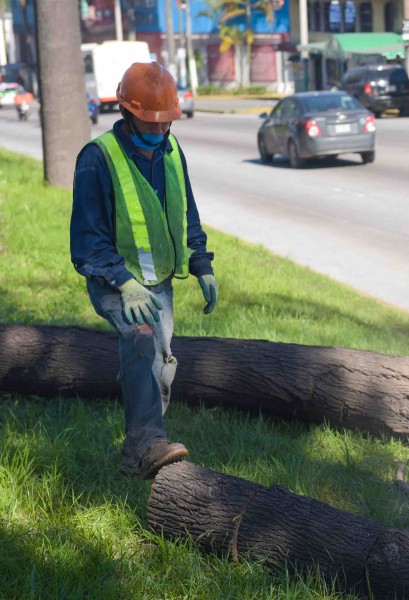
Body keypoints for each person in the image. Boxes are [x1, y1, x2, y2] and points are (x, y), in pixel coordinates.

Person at [70, 62, 219, 479]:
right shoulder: (97, 159)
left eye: (164, 125)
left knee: (162, 366)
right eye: (148, 124)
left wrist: (201, 262)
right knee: (141, 339)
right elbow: (86, 240)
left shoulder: (172, 153)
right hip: (113, 279)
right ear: (126, 113)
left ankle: (138, 457)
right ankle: (148, 441)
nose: (157, 133)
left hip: (160, 280)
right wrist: (124, 282)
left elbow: (186, 211)